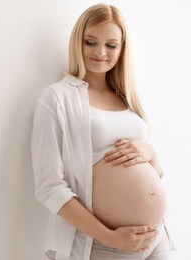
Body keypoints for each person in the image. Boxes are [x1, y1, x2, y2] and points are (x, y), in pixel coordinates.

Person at [31, 3, 174, 260]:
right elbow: (49, 187)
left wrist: (150, 153)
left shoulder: (127, 99)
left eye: (111, 45)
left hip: (156, 237)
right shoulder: (57, 98)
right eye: (90, 42)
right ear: (78, 41)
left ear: (121, 49)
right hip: (102, 243)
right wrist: (111, 236)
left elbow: (154, 173)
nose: (100, 52)